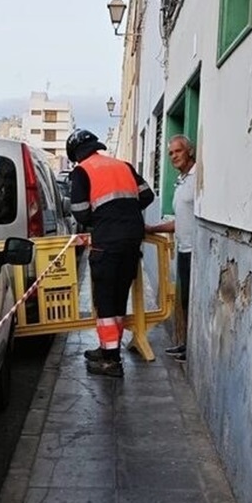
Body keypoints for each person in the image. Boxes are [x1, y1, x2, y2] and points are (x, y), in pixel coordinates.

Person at [67, 128, 154, 378]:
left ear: (76, 154)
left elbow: (80, 212)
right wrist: (125, 212)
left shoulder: (82, 171)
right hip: (132, 240)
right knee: (118, 296)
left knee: (105, 300)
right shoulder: (123, 166)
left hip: (107, 242)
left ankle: (111, 360)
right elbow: (147, 195)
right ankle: (108, 348)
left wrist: (105, 218)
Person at [146, 134, 196, 363]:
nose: (174, 156)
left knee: (191, 301)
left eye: (178, 151)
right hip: (183, 249)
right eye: (170, 153)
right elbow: (180, 220)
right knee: (184, 301)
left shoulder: (197, 178)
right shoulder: (182, 180)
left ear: (190, 151)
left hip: (196, 251)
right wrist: (152, 228)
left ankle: (191, 348)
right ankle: (185, 345)